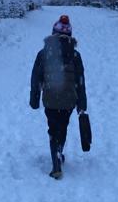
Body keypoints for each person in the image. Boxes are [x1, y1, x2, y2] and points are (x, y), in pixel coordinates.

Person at [29, 14, 87, 179]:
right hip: (68, 101)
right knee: (63, 127)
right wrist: (82, 105)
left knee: (53, 128)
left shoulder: (44, 53)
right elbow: (80, 82)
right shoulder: (75, 56)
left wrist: (34, 99)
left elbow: (36, 78)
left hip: (50, 99)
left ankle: (56, 163)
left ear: (53, 34)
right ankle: (59, 152)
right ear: (69, 36)